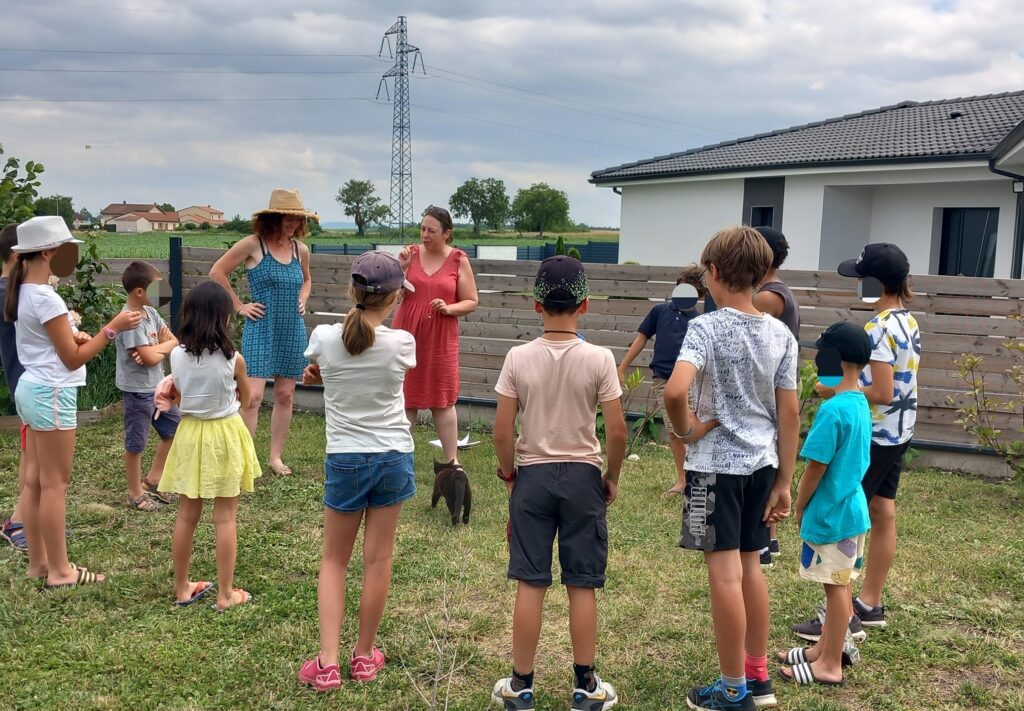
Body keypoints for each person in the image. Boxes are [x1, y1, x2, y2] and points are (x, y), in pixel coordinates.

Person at [663, 225, 800, 711]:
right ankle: (758, 676)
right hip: (764, 465)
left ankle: (732, 689)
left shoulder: (704, 327)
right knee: (750, 567)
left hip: (714, 471)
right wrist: (784, 480)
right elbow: (789, 414)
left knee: (723, 575)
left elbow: (675, 392)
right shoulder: (781, 333)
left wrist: (687, 432)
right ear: (762, 275)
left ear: (714, 274)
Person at [491, 256, 627, 711]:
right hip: (583, 478)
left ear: (536, 305)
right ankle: (585, 685)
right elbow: (617, 431)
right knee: (580, 583)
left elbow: (502, 430)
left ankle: (521, 685)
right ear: (585, 305)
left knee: (530, 582)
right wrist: (610, 475)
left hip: (532, 477)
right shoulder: (600, 359)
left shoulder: (517, 357)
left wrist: (510, 474)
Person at [297, 251, 418, 692]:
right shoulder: (403, 343)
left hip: (345, 457)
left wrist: (321, 374)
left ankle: (327, 664)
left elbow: (337, 359)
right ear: (396, 297)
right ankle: (364, 656)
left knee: (334, 561)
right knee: (378, 559)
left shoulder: (325, 338)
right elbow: (372, 363)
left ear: (352, 291)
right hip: (392, 456)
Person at [4, 216, 141, 587]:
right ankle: (61, 571)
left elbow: (54, 344)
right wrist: (112, 329)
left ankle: (39, 563)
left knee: (34, 482)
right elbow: (72, 359)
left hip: (31, 389)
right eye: (67, 247)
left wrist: (76, 335)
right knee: (54, 485)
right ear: (49, 252)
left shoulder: (23, 291)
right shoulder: (46, 297)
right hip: (52, 392)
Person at [792, 243, 919, 642]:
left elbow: (880, 391)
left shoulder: (878, 328)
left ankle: (841, 617)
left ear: (874, 284)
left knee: (846, 522)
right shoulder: (909, 321)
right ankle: (870, 603)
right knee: (882, 512)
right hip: (899, 431)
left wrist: (837, 393)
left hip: (872, 436)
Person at [156, 280, 261, 610]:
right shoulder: (234, 360)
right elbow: (250, 400)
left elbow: (181, 394)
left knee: (187, 515)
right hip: (224, 434)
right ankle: (225, 594)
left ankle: (182, 588)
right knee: (225, 517)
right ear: (224, 319)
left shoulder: (176, 355)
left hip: (190, 434)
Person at [778, 322, 872, 687]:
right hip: (852, 513)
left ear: (834, 358)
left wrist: (799, 505)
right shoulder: (858, 402)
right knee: (840, 585)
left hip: (831, 515)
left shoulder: (832, 413)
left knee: (835, 591)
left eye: (821, 353)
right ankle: (824, 649)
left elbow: (816, 468)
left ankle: (830, 663)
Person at [210, 189, 313, 475]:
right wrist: (239, 306)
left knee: (285, 395)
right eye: (287, 218)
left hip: (291, 328)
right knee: (252, 396)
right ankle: (244, 460)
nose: (293, 224)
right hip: (261, 327)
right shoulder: (253, 245)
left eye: (297, 219)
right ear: (273, 218)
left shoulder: (300, 250)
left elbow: (307, 281)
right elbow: (217, 272)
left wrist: (304, 296)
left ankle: (275, 458)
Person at [395, 206, 478, 464]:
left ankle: (451, 461)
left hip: (441, 338)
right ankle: (396, 455)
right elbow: (393, 293)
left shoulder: (458, 259)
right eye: (422, 229)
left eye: (431, 230)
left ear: (447, 233)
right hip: (407, 333)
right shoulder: (410, 255)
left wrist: (448, 307)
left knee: (442, 400)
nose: (425, 235)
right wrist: (401, 268)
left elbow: (472, 301)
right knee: (404, 396)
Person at [617, 264, 706, 496]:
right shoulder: (659, 312)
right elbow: (641, 339)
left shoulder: (699, 321)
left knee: (686, 429)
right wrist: (622, 366)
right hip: (662, 380)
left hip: (688, 382)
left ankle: (692, 479)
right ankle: (684, 479)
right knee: (674, 430)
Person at [752, 226, 800, 568]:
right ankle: (770, 539)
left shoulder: (768, 297)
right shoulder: (776, 290)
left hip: (770, 392)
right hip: (773, 389)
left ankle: (763, 544)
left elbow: (735, 310)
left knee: (764, 466)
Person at [115, 261, 180, 512]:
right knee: (136, 443)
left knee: (174, 430)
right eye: (158, 286)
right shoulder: (130, 321)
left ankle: (153, 479)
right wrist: (159, 351)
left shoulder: (151, 313)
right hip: (137, 391)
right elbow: (154, 357)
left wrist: (155, 349)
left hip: (158, 388)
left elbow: (173, 341)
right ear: (140, 292)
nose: (162, 292)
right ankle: (134, 492)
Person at [1, 224, 28, 551]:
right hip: (29, 386)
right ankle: (17, 523)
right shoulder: (11, 294)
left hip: (22, 383)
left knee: (29, 454)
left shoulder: (12, 291)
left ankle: (26, 518)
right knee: (34, 459)